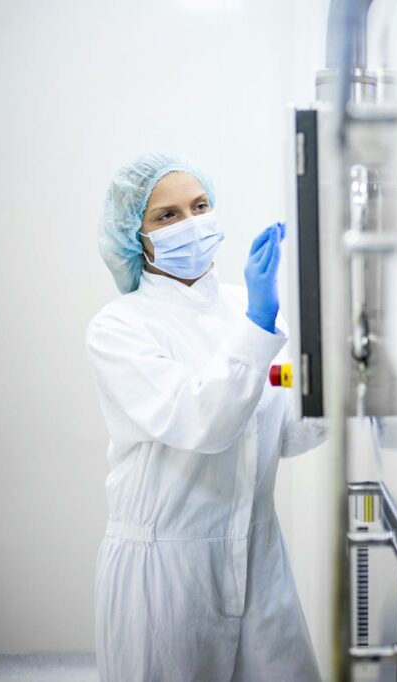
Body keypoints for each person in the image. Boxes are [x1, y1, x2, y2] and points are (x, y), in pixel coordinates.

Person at [86, 152, 322, 681]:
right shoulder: (119, 328)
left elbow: (285, 434)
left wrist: (335, 389)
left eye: (200, 206)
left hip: (259, 555)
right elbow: (204, 422)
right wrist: (259, 324)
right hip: (165, 571)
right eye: (167, 216)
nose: (191, 224)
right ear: (135, 236)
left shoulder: (252, 309)